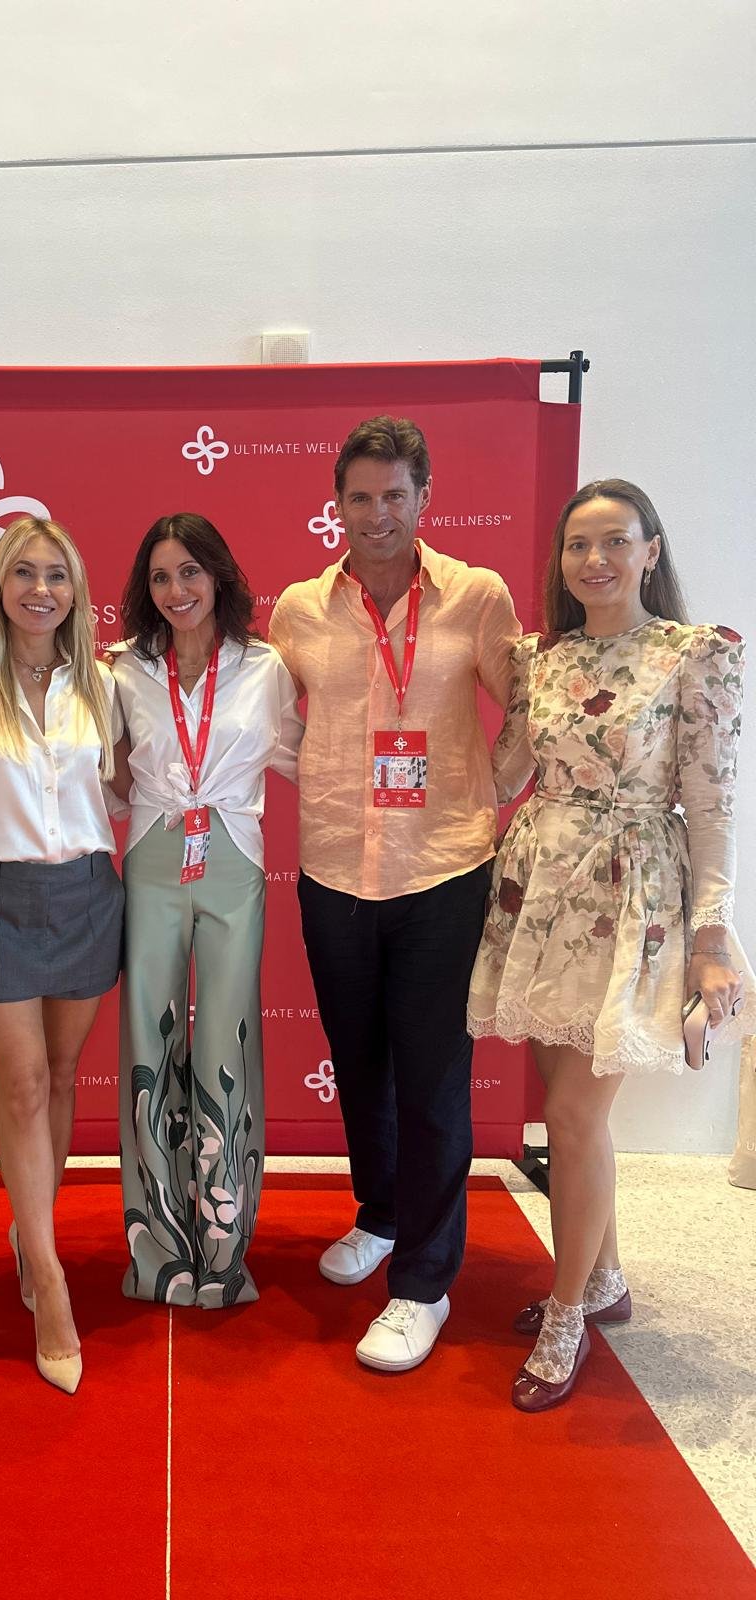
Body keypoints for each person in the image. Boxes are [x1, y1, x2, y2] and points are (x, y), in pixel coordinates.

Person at [467, 479, 751, 1411]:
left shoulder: (693, 655)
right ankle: (604, 1279)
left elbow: (713, 806)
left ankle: (565, 1315)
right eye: (578, 545)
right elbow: (506, 772)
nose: (594, 560)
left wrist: (712, 934)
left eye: (615, 541)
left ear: (650, 551)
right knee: (569, 1110)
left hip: (632, 904)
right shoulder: (542, 657)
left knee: (573, 1118)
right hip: (541, 892)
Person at [269, 415, 521, 1373]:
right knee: (360, 1064)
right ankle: (380, 1215)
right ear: (336, 505)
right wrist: (322, 775)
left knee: (433, 1078)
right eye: (360, 497)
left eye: (394, 496)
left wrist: (488, 789)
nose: (377, 514)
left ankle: (423, 1281)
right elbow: (267, 718)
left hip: (443, 871)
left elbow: (530, 705)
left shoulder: (477, 596)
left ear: (424, 499)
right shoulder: (300, 609)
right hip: (335, 869)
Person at [0, 515, 126, 1394]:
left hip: (85, 893)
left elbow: (124, 786)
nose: (40, 590)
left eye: (56, 575)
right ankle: (48, 1281)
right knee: (23, 1085)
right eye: (24, 573)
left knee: (63, 1073)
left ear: (76, 591)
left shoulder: (102, 682)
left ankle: (30, 1228)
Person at [109, 514, 303, 1307]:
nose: (176, 590)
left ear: (219, 575)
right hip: (152, 856)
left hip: (234, 860)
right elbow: (107, 775)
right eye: (160, 577)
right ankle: (159, 1249)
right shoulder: (124, 668)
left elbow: (304, 755)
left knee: (228, 1040)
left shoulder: (265, 666)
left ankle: (224, 1254)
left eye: (190, 572)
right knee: (148, 1042)